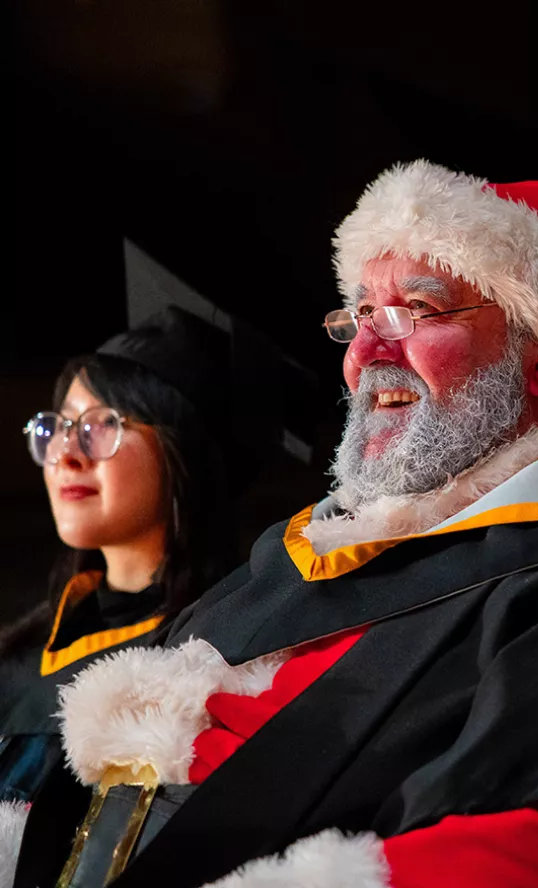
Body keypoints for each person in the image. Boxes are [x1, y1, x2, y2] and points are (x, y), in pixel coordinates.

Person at [11, 164, 538, 888]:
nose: (369, 353)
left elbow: (522, 847)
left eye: (421, 311)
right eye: (361, 316)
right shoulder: (289, 561)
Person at [0, 239, 314, 810]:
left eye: (101, 425)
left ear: (183, 454)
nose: (67, 454)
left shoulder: (226, 654)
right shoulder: (14, 655)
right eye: (58, 428)